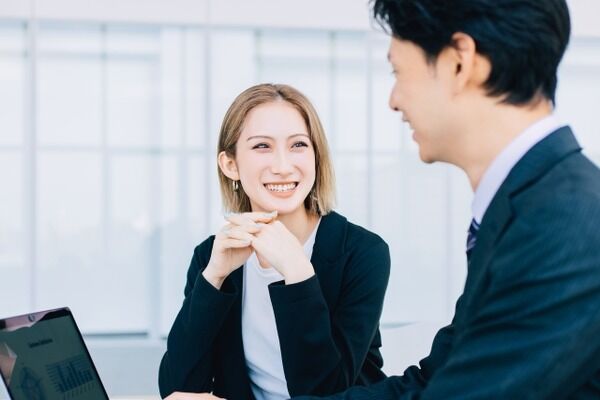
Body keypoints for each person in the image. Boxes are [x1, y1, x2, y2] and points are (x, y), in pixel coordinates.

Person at [294, 0, 600, 399]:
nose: (394, 100)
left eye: (399, 72)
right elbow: (432, 383)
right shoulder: (525, 206)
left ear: (460, 63)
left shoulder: (566, 222)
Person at [158, 83, 391, 400]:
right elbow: (177, 389)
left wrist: (298, 273)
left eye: (298, 145)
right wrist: (213, 279)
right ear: (231, 165)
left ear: (315, 156)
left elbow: (328, 393)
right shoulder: (211, 256)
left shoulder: (362, 253)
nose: (283, 166)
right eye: (262, 146)